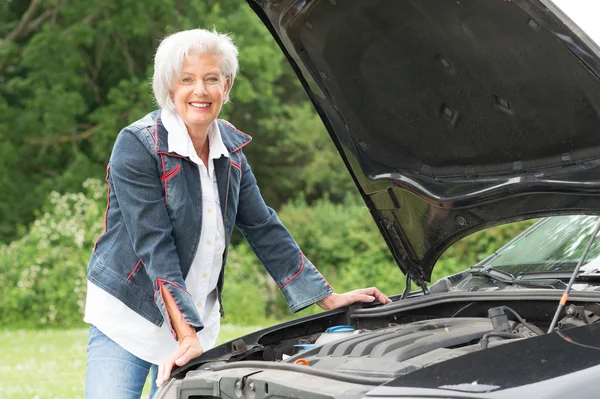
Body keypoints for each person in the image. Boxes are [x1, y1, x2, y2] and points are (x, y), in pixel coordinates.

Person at [83, 28, 391, 399]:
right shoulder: (137, 145)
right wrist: (185, 334)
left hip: (193, 323)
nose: (200, 91)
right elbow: (154, 245)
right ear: (169, 88)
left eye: (211, 79)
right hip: (131, 314)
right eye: (187, 80)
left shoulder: (231, 150)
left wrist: (329, 298)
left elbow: (264, 228)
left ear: (226, 87)